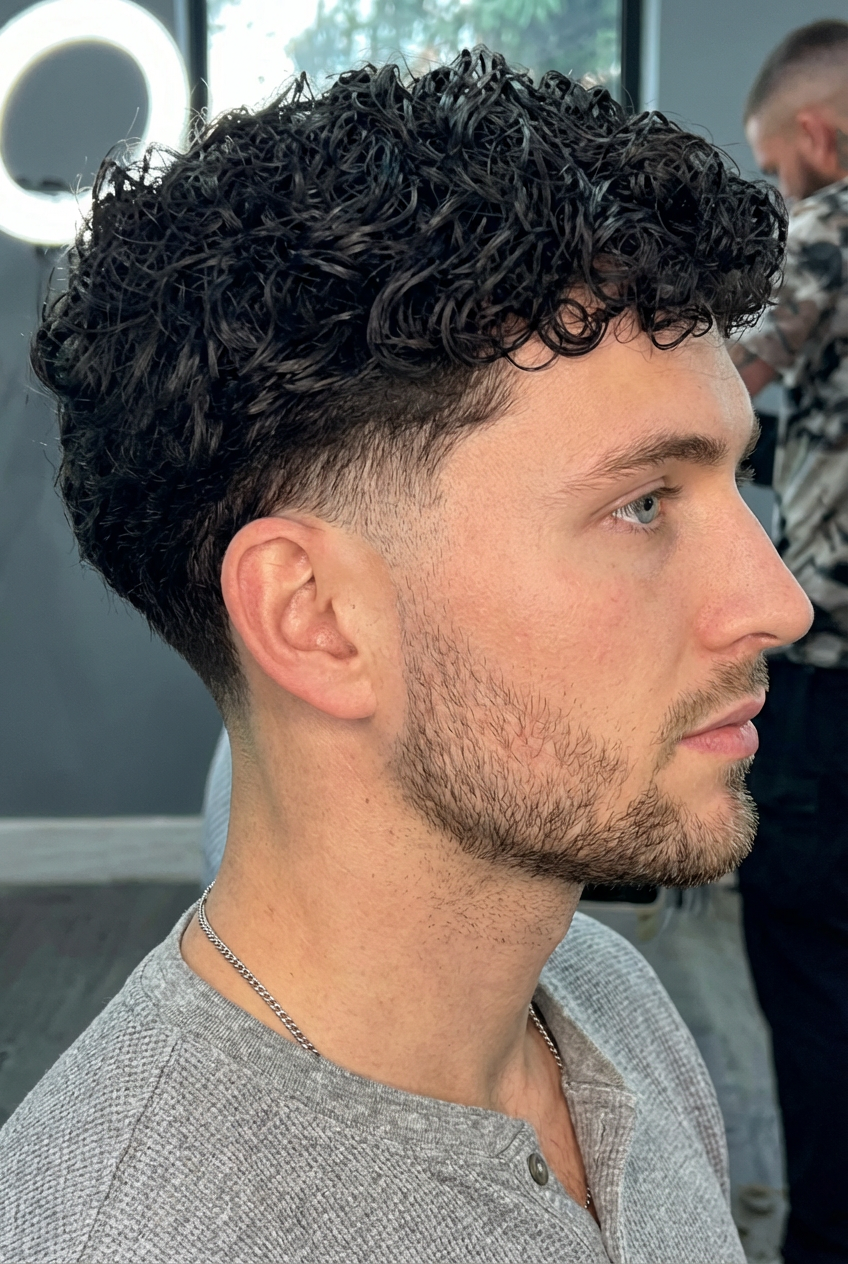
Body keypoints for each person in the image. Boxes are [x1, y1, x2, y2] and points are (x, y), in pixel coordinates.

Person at [0, 52, 811, 1263]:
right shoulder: (120, 1232)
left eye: (730, 480)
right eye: (641, 503)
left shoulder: (602, 999)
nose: (776, 605)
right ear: (316, 617)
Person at [729, 21, 848, 1264]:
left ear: (814, 136)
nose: (781, 188)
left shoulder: (828, 227)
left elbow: (713, 381)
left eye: (773, 166)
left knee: (814, 975)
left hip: (829, 692)